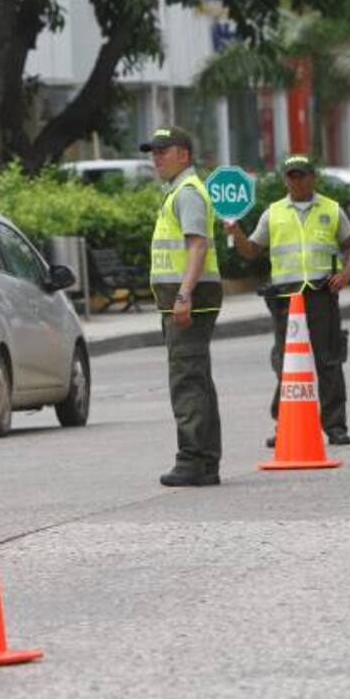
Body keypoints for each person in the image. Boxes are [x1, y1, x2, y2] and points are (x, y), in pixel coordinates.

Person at [224, 154, 350, 447]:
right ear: (285, 180)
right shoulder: (273, 213)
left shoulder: (331, 209)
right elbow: (251, 250)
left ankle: (335, 426)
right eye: (291, 176)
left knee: (329, 360)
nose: (296, 181)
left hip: (321, 293)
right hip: (286, 298)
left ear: (313, 177)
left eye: (301, 175)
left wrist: (347, 272)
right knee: (286, 363)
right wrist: (235, 234)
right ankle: (285, 423)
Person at [142, 125, 225, 486]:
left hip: (188, 300)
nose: (156, 157)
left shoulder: (188, 192)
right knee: (198, 378)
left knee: (187, 380)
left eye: (164, 150)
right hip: (186, 299)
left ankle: (192, 459)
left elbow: (197, 246)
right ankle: (205, 461)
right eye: (154, 152)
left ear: (184, 155)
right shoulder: (178, 191)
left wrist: (183, 295)